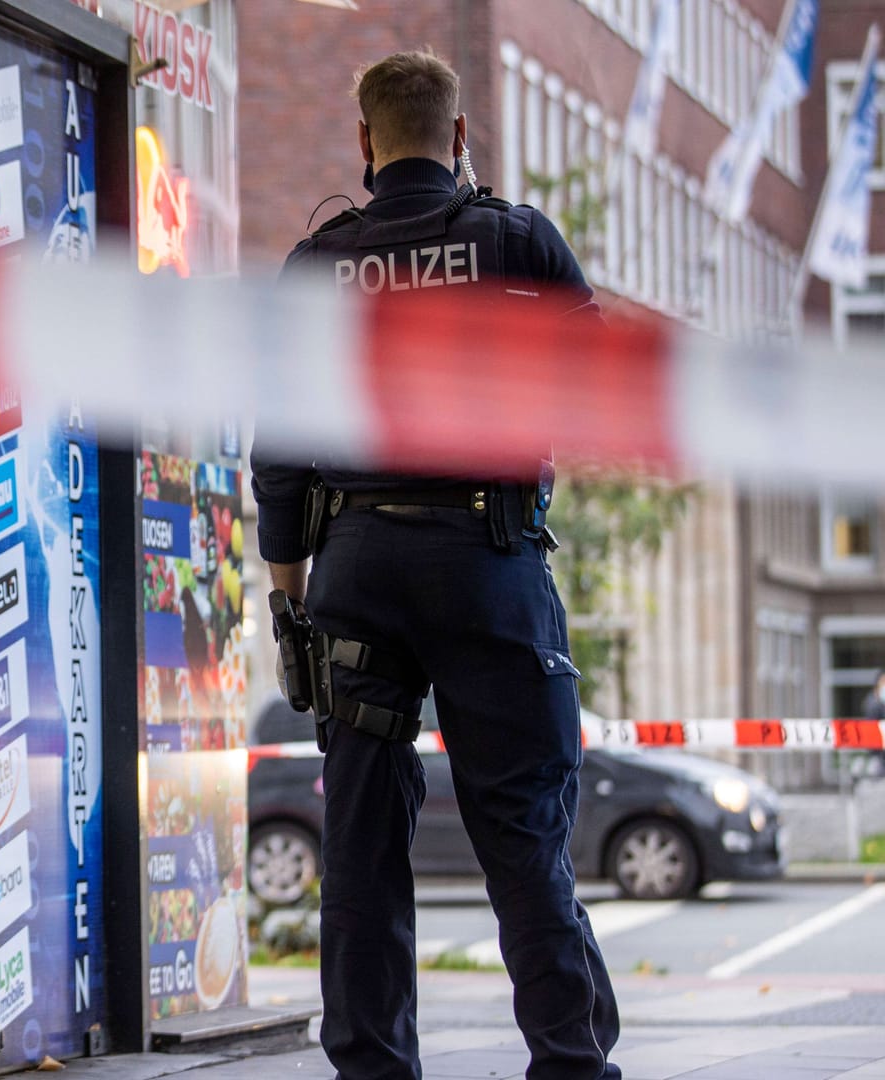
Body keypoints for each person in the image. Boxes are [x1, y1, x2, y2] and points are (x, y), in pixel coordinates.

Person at [250, 51, 622, 1080]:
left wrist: (294, 612)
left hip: (358, 569)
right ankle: (572, 1066)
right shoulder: (516, 240)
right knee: (524, 836)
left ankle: (371, 1069)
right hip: (488, 560)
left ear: (363, 144)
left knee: (361, 854)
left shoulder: (319, 264)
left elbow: (278, 454)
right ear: (459, 138)